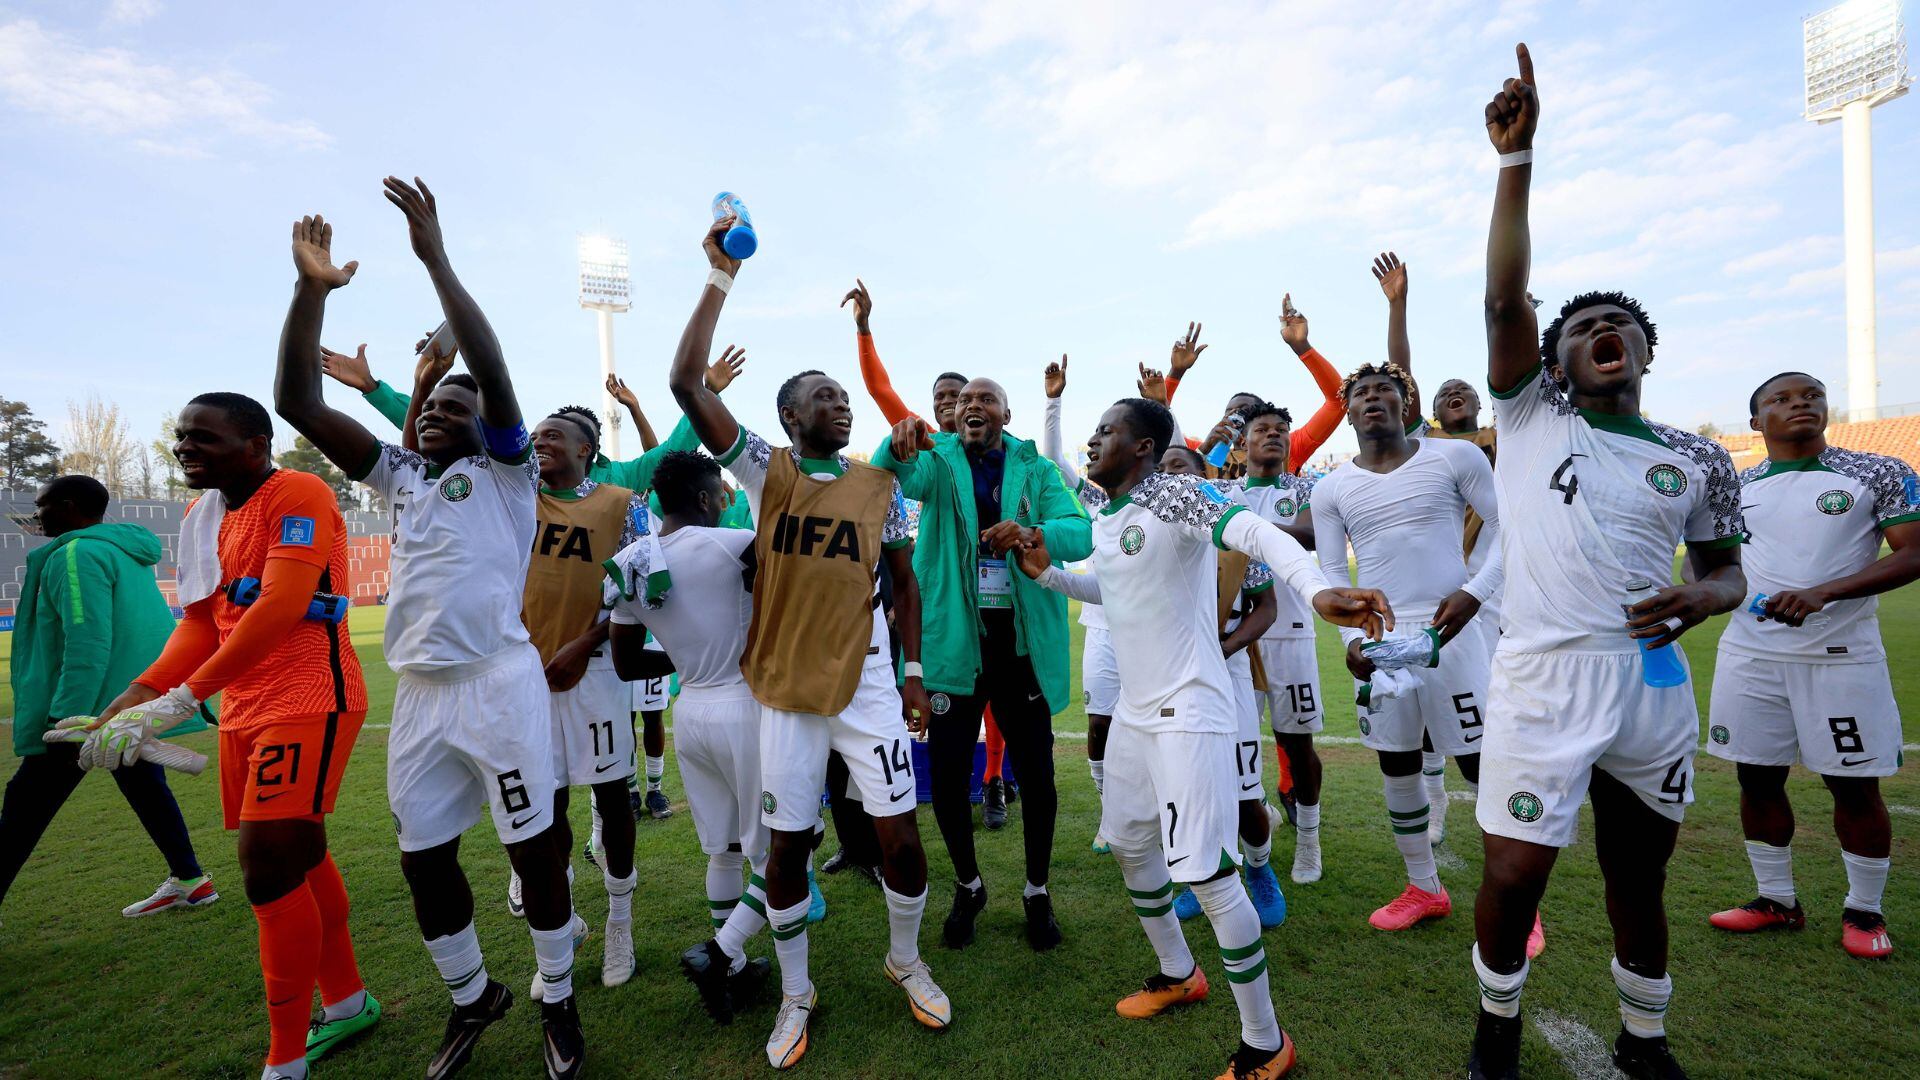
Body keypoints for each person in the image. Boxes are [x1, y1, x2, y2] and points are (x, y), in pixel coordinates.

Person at [1472, 47, 1747, 1080]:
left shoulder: (1700, 456)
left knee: (1640, 877)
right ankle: (1496, 1026)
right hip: (1545, 676)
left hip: (1652, 681)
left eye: (1617, 324)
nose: (1601, 332)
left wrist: (1703, 597)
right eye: (1582, 326)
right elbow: (1506, 303)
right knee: (1515, 870)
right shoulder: (1532, 415)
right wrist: (1517, 162)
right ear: (1550, 364)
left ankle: (1645, 1042)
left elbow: (1729, 572)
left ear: (1643, 350)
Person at [272, 183, 585, 1080]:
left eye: (461, 408)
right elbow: (296, 400)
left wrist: (435, 259)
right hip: (421, 699)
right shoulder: (401, 474)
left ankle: (557, 996)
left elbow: (487, 364)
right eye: (434, 409)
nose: (444, 414)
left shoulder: (510, 474)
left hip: (499, 684)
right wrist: (312, 291)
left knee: (533, 847)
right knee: (424, 862)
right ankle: (472, 996)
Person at [1018, 396, 1391, 1080]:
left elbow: (1257, 534)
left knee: (1208, 876)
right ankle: (1178, 972)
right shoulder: (1112, 514)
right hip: (1137, 710)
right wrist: (1046, 572)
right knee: (1132, 847)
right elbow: (1111, 590)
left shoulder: (1176, 494)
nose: (1094, 439)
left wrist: (1315, 589)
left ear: (1142, 449)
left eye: (1108, 430)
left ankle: (1265, 1041)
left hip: (1190, 710)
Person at [671, 217, 949, 1069]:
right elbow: (686, 383)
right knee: (787, 848)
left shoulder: (880, 485)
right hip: (785, 691)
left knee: (900, 841)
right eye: (822, 395)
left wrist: (910, 670)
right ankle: (795, 990)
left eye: (845, 396)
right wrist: (719, 278)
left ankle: (905, 958)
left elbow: (901, 582)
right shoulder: (768, 471)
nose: (841, 403)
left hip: (868, 685)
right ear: (788, 416)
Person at [88, 394, 376, 1080]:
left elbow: (279, 605)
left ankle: (283, 1062)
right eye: (181, 436)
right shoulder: (200, 515)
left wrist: (186, 696)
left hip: (310, 695)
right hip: (245, 707)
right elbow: (201, 622)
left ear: (255, 443)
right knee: (299, 853)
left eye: (204, 437)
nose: (186, 446)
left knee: (266, 865)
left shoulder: (298, 490)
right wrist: (139, 693)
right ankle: (348, 1003)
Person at [870, 375, 1091, 952]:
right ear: (953, 415)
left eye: (985, 399)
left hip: (1019, 646)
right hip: (953, 646)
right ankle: (968, 885)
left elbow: (1080, 530)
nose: (973, 406)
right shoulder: (938, 461)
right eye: (965, 400)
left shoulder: (1035, 469)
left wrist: (1030, 530)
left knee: (1039, 779)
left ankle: (1037, 890)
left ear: (1006, 413)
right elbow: (892, 471)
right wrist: (895, 441)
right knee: (945, 781)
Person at [1705, 371, 1920, 958]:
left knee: (1853, 785)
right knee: (1756, 776)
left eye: (1811, 396)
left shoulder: (1878, 473)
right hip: (1751, 656)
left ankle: (1865, 912)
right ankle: (1776, 900)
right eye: (1781, 398)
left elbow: (1915, 552)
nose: (1799, 403)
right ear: (1756, 422)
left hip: (1841, 658)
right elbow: (1706, 567)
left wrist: (1826, 592)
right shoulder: (1733, 485)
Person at [1310, 363, 1508, 935]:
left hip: (1455, 629)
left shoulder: (1454, 457)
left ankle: (1519, 901)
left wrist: (1473, 594)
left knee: (1479, 762)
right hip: (1381, 638)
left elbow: (1506, 525)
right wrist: (1351, 639)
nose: (1372, 399)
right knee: (1397, 759)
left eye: (1385, 390)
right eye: (1360, 393)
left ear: (1405, 401)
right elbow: (1328, 569)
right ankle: (1424, 886)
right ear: (1346, 411)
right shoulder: (1332, 488)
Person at [845, 278, 1018, 825]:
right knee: (909, 690)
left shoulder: (1002, 460)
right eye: (940, 396)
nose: (947, 403)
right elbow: (879, 389)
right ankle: (903, 788)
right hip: (913, 591)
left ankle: (991, 782)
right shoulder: (916, 441)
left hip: (981, 596)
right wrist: (866, 330)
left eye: (959, 395)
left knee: (989, 697)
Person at [2, 476, 213, 922]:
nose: (36, 516)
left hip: (92, 712)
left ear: (69, 505)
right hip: (127, 704)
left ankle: (189, 880)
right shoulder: (121, 549)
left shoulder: (77, 553)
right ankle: (189, 880)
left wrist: (64, 717)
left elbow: (87, 638)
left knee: (23, 807)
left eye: (42, 506)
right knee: (144, 786)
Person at [504, 402, 650, 988]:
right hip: (524, 675)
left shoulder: (621, 504)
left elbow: (638, 589)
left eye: (555, 436)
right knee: (548, 803)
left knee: (613, 798)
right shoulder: (516, 498)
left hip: (592, 672)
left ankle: (621, 921)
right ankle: (561, 924)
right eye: (536, 435)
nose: (541, 442)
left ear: (587, 448)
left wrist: (584, 642)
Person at [1374, 250, 1499, 843]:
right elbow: (1402, 382)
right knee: (1422, 707)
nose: (1451, 391)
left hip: (1496, 594)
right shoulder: (1424, 449)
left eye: (1463, 388)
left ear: (1479, 405)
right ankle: (1434, 799)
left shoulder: (1498, 441)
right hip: (1440, 594)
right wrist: (1398, 306)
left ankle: (1509, 820)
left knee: (1485, 724)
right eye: (1442, 389)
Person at [1158, 447, 1288, 929]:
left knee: (1242, 788)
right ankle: (1204, 877)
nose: (1171, 477)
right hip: (1169, 672)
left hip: (1225, 667)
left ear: (1205, 480)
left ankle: (1258, 869)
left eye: (1183, 470)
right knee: (1189, 786)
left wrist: (1227, 646)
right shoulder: (1146, 537)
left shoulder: (1233, 538)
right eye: (1164, 469)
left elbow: (1267, 607)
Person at [1222, 401, 1328, 883]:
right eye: (1261, 429)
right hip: (1239, 637)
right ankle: (1239, 843)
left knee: (1296, 742)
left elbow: (1308, 533)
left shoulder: (1305, 486)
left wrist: (1246, 534)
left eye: (1281, 430)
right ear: (1242, 445)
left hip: (1290, 632)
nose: (1273, 435)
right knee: (1231, 746)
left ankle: (1309, 840)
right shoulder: (1223, 492)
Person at [1038, 354, 1119, 853]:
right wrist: (1053, 400)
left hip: (1152, 631)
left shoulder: (1159, 497)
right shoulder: (1091, 499)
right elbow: (1052, 457)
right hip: (1103, 629)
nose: (1095, 447)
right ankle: (1110, 815)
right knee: (1099, 724)